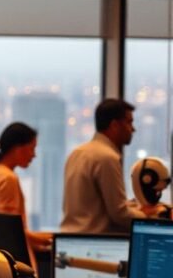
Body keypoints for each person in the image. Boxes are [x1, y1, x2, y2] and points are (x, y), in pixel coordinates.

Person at [61, 98, 144, 234]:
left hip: (68, 238)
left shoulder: (77, 153)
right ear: (114, 125)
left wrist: (134, 207)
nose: (133, 129)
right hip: (95, 243)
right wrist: (147, 216)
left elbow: (92, 206)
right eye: (129, 122)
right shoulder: (107, 157)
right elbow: (119, 214)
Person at [0, 123, 51, 256]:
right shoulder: (7, 178)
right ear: (18, 148)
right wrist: (49, 240)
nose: (34, 155)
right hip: (10, 260)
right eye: (32, 148)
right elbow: (11, 232)